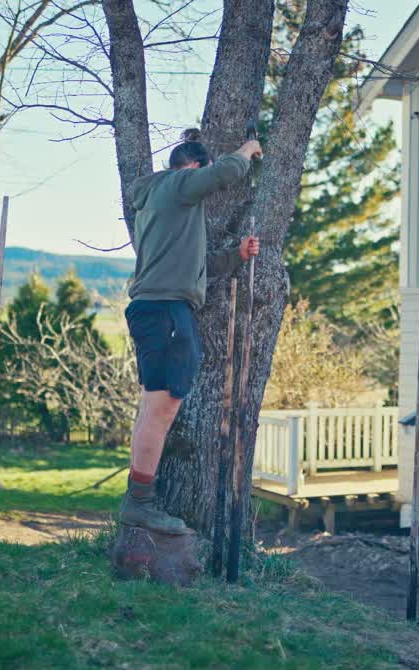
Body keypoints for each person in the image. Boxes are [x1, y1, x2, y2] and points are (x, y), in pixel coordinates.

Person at [120, 128, 263, 534]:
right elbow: (225, 173)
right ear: (194, 168)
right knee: (161, 410)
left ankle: (139, 499)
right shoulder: (180, 185)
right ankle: (140, 502)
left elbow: (196, 264)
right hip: (166, 311)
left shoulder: (162, 202)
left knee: (154, 408)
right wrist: (248, 149)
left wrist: (235, 256)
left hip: (159, 307)